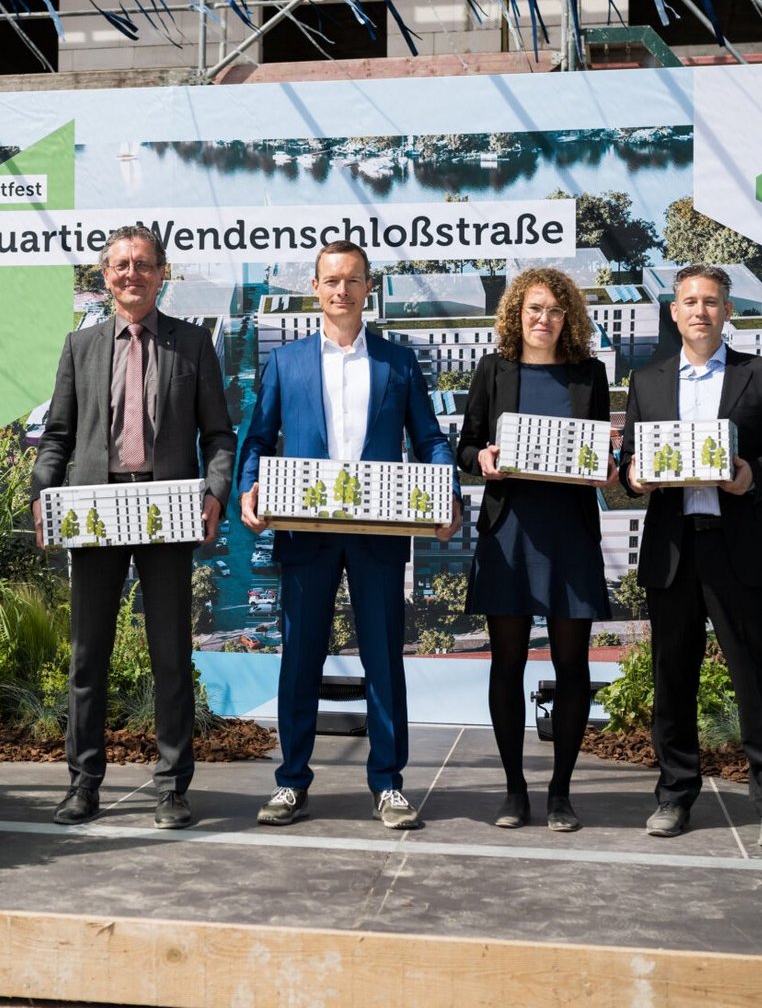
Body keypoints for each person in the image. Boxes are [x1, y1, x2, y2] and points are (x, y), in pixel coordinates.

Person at [238, 240, 461, 830]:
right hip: (304, 533)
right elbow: (257, 438)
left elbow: (431, 439)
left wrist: (447, 491)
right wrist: (249, 486)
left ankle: (388, 784)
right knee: (299, 661)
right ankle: (291, 782)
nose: (342, 290)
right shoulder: (286, 362)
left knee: (384, 660)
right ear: (315, 288)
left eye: (353, 280)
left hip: (378, 533)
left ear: (369, 288)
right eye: (332, 280)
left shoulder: (398, 363)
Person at [31, 224, 236, 829]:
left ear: (161, 273)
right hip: (95, 513)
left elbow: (219, 435)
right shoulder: (80, 347)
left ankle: (172, 787)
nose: (132, 274)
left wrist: (215, 491)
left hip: (168, 511)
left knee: (170, 656)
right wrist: (42, 496)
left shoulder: (192, 344)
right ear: (105, 276)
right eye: (121, 265)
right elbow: (58, 437)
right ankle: (82, 784)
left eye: (143, 264)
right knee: (87, 656)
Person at [619, 263, 762, 848]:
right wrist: (634, 478)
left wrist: (752, 475)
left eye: (711, 301)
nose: (700, 311)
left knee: (756, 680)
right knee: (672, 679)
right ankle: (674, 796)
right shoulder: (647, 381)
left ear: (728, 311)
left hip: (739, 547)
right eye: (690, 301)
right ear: (674, 312)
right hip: (674, 549)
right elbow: (629, 465)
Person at [457, 268, 617, 832]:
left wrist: (606, 467)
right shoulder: (493, 369)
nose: (543, 319)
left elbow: (601, 452)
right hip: (510, 532)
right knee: (508, 663)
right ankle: (514, 790)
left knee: (572, 666)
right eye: (533, 309)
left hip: (570, 532)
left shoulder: (590, 374)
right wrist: (481, 458)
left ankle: (561, 793)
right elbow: (466, 446)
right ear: (516, 315)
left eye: (553, 310)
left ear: (567, 317)